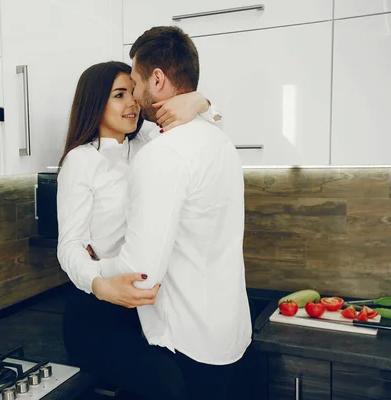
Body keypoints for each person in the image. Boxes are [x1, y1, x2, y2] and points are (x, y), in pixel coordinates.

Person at [96, 26, 252, 400]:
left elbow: (142, 273)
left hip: (186, 342)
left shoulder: (163, 155)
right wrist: (205, 103)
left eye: (135, 83)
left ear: (158, 79)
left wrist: (95, 271)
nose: (133, 95)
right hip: (228, 333)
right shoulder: (221, 141)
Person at [57, 61, 221, 400]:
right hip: (97, 310)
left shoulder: (147, 140)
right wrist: (101, 285)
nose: (132, 103)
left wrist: (202, 101)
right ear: (94, 102)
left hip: (149, 308)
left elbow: (203, 127)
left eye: (133, 92)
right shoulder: (81, 161)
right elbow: (69, 245)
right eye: (120, 95)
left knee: (193, 378)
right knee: (167, 385)